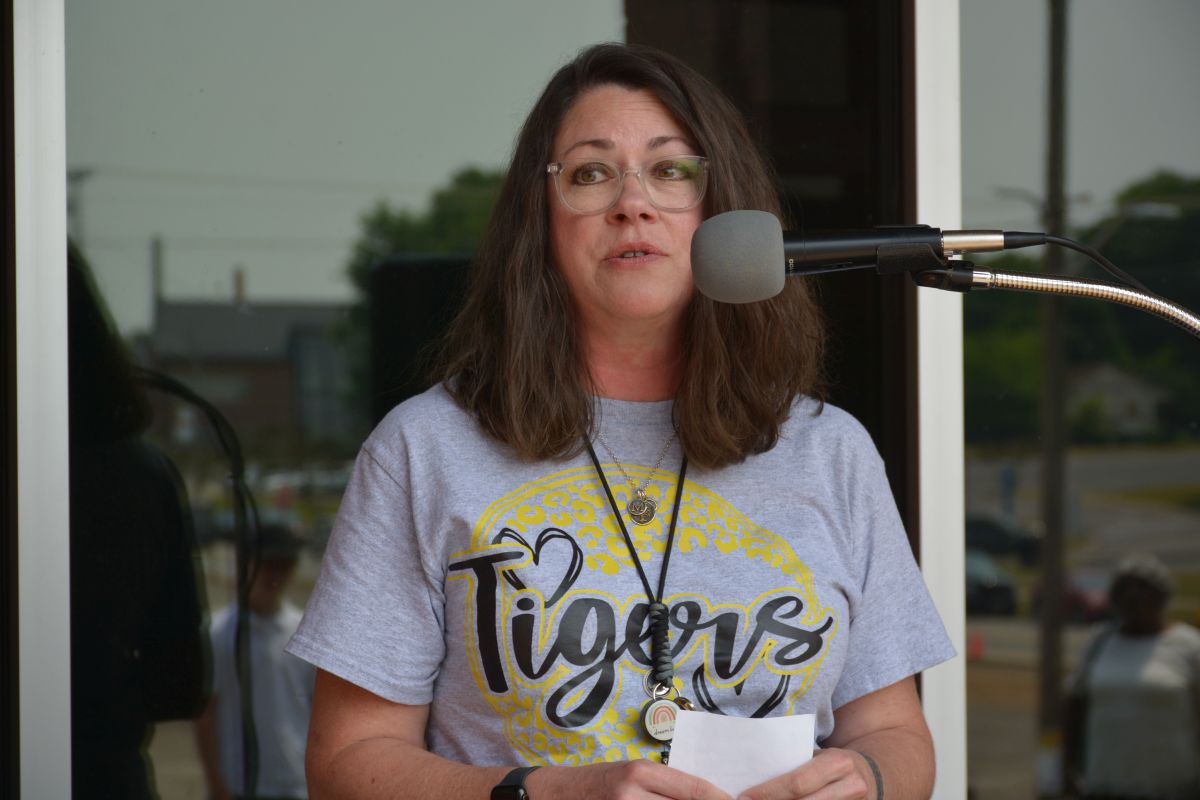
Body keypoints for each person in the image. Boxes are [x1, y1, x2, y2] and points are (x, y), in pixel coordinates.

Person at [287, 43, 954, 800]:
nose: (632, 202)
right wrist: (547, 794)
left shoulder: (832, 452)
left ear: (725, 213)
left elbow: (896, 733)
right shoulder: (423, 450)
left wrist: (867, 779)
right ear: (541, 220)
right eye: (590, 173)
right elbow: (347, 761)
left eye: (671, 170)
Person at [1063, 554, 1200, 800]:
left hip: (1173, 790)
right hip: (1104, 788)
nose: (1133, 596)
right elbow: (1075, 706)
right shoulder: (1099, 642)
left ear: (1162, 595)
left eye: (1143, 587)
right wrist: (1067, 769)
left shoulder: (1188, 645)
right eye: (1124, 588)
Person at [196, 524, 316, 800]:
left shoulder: (305, 633)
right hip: (242, 786)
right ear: (246, 565)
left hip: (296, 784)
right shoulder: (219, 634)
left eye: (284, 567)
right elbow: (206, 717)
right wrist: (216, 785)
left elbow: (317, 710)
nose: (275, 576)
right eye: (268, 566)